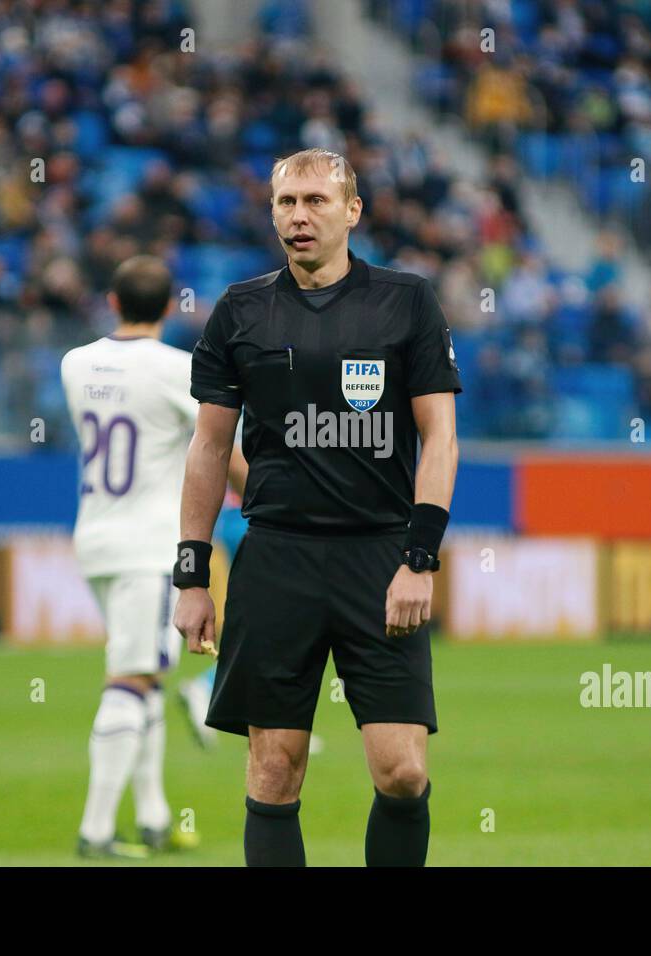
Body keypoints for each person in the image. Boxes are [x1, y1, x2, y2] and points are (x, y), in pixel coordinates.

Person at [173, 148, 461, 866]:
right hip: (276, 559)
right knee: (274, 771)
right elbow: (209, 450)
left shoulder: (407, 301)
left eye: (316, 201)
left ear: (352, 211)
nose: (299, 216)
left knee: (403, 770)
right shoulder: (241, 310)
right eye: (285, 203)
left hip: (380, 557)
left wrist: (420, 559)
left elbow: (441, 438)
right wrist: (191, 573)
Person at [61, 254, 245, 858]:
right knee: (132, 677)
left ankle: (155, 817)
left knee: (147, 674)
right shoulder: (176, 368)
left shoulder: (75, 363)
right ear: (170, 307)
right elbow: (217, 447)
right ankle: (94, 831)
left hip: (95, 538)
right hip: (150, 547)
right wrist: (268, 493)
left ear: (111, 302)